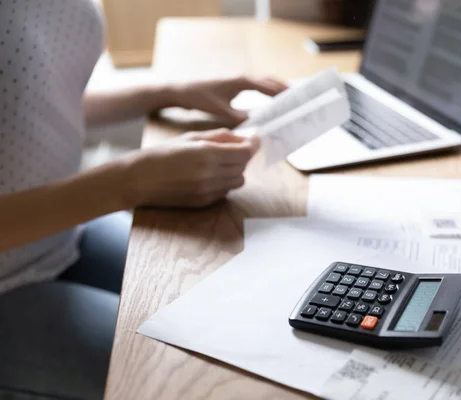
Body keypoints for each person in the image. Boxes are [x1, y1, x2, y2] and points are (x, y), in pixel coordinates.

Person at [0, 0, 287, 399]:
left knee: (248, 304)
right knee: (201, 378)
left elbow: (30, 96)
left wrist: (170, 94)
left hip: (64, 231)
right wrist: (129, 182)